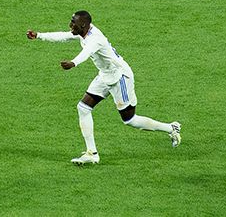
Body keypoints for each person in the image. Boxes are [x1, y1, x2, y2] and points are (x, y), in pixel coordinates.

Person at [27, 11, 180, 165]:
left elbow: (86, 53)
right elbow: (63, 36)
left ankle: (171, 128)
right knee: (83, 108)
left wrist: (73, 63)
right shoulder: (82, 32)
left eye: (73, 22)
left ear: (83, 25)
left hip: (120, 77)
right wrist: (39, 35)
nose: (70, 25)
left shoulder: (95, 39)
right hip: (105, 76)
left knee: (130, 120)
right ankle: (92, 153)